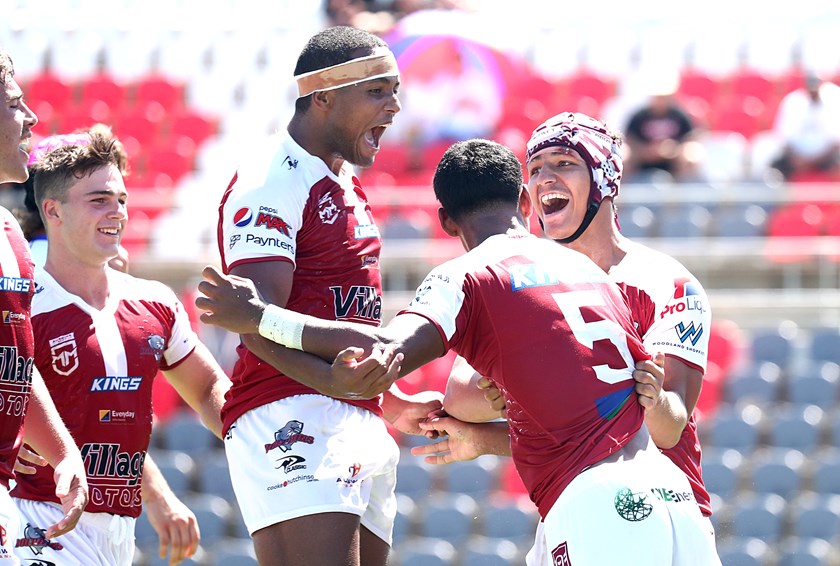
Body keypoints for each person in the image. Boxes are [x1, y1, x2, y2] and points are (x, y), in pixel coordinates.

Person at [195, 138, 721, 565]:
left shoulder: (466, 276)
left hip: (597, 505)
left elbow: (384, 349)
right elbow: (596, 414)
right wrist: (482, 435)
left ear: (446, 221)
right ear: (522, 201)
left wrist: (261, 317)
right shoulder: (591, 272)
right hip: (673, 493)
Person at [416, 112, 716, 559]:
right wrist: (487, 429)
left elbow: (662, 428)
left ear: (604, 178)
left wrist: (512, 392)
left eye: (564, 163)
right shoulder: (516, 275)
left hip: (656, 506)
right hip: (583, 505)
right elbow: (463, 397)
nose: (544, 179)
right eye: (534, 169)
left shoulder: (668, 282)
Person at [212, 25, 441, 566]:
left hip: (352, 412)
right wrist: (326, 380)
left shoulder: (341, 181)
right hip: (290, 413)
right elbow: (252, 321)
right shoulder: (270, 180)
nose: (395, 106)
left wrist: (385, 399)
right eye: (377, 91)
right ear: (323, 97)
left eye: (395, 90)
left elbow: (333, 314)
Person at [10, 126, 232, 565]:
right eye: (99, 200)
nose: (116, 212)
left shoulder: (156, 301)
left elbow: (207, 391)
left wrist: (269, 431)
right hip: (35, 520)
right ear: (51, 211)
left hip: (118, 531)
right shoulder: (22, 303)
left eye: (121, 200)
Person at [0, 46, 89, 564]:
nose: (31, 116)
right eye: (14, 104)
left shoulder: (11, 233)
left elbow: (14, 364)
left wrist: (62, 452)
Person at [622, 71, 702, 183]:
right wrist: (646, 151)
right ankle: (623, 193)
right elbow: (629, 139)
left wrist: (672, 149)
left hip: (674, 161)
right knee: (623, 157)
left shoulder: (680, 115)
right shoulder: (639, 116)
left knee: (691, 156)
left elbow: (689, 139)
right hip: (642, 160)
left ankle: (683, 193)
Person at [770, 70, 840, 181]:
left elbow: (836, 143)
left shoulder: (834, 98)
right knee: (774, 169)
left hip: (827, 158)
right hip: (796, 159)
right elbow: (783, 139)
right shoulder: (792, 102)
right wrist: (797, 160)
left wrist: (812, 162)